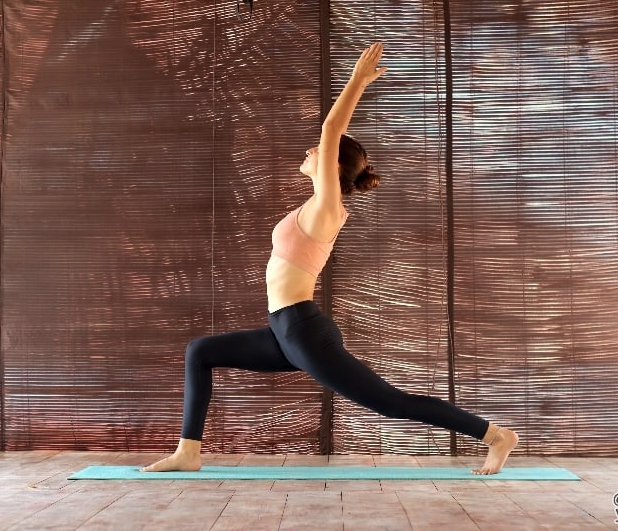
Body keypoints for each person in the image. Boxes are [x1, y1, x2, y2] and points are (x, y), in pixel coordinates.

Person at [142, 42, 518, 475]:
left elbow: (331, 129)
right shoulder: (312, 206)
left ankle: (495, 435)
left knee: (389, 403)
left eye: (316, 151)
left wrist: (357, 80)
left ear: (333, 166)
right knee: (200, 351)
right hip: (283, 330)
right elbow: (327, 140)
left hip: (303, 331)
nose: (308, 152)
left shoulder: (327, 206)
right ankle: (188, 452)